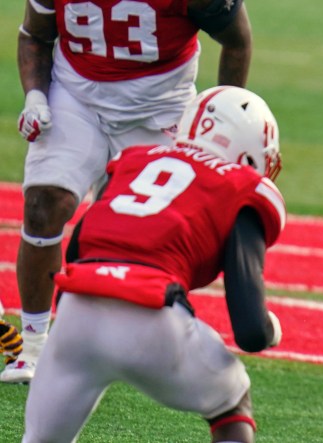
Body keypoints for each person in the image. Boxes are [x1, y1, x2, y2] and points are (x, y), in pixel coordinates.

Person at [4, 0, 253, 383]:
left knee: (144, 236)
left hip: (160, 109)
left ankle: (132, 340)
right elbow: (35, 34)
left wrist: (221, 113)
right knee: (44, 204)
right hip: (76, 96)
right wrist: (36, 96)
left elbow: (237, 40)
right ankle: (33, 348)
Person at [23, 86, 284, 442]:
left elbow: (76, 251)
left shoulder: (134, 159)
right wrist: (270, 330)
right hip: (150, 315)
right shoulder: (242, 185)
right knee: (232, 395)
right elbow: (250, 331)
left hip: (76, 311)